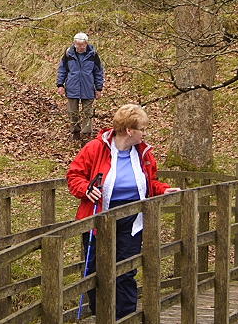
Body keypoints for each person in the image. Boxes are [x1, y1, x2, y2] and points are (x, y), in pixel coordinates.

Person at [67, 103, 181, 319]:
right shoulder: (95, 148)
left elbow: (149, 183)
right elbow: (74, 176)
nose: (144, 134)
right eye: (142, 129)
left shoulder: (143, 153)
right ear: (129, 130)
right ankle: (102, 316)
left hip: (132, 217)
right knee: (95, 271)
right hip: (98, 218)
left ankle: (125, 317)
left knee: (126, 271)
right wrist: (85, 189)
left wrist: (164, 190)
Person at [56, 32, 104, 141]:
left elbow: (98, 72)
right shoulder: (68, 54)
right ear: (74, 43)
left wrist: (99, 88)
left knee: (88, 113)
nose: (80, 47)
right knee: (73, 112)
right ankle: (75, 133)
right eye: (78, 45)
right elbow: (62, 70)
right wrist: (60, 85)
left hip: (88, 88)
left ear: (86, 43)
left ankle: (86, 135)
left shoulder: (93, 55)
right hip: (72, 87)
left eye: (82, 45)